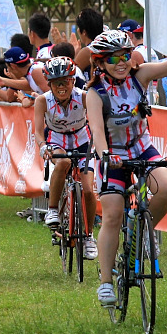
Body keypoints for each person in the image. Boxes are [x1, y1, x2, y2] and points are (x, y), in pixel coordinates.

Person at [85, 29, 167, 306]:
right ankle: (106, 283)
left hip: (142, 146)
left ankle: (140, 227)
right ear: (100, 63)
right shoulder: (94, 93)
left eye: (125, 55)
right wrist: (106, 156)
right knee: (111, 215)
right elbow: (97, 133)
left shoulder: (140, 75)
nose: (121, 62)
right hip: (113, 154)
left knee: (166, 188)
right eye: (113, 59)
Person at [33, 56, 97, 259]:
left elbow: (96, 122)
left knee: (87, 190)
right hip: (56, 140)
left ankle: (88, 236)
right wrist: (43, 146)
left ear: (72, 81)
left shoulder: (84, 96)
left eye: (66, 81)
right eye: (55, 83)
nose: (61, 87)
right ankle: (52, 210)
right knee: (63, 162)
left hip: (82, 140)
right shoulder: (42, 100)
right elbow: (37, 131)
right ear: (49, 84)